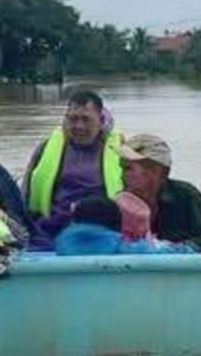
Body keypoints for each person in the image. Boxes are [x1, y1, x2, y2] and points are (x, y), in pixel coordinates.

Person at [21, 88, 126, 247]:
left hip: (102, 230)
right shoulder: (46, 148)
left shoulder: (122, 150)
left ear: (101, 119)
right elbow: (26, 190)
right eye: (73, 119)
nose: (78, 126)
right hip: (52, 227)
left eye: (86, 119)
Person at [74, 133, 201, 249]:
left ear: (157, 171)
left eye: (128, 169)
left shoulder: (187, 195)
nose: (122, 175)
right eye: (122, 168)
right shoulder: (121, 204)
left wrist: (175, 248)